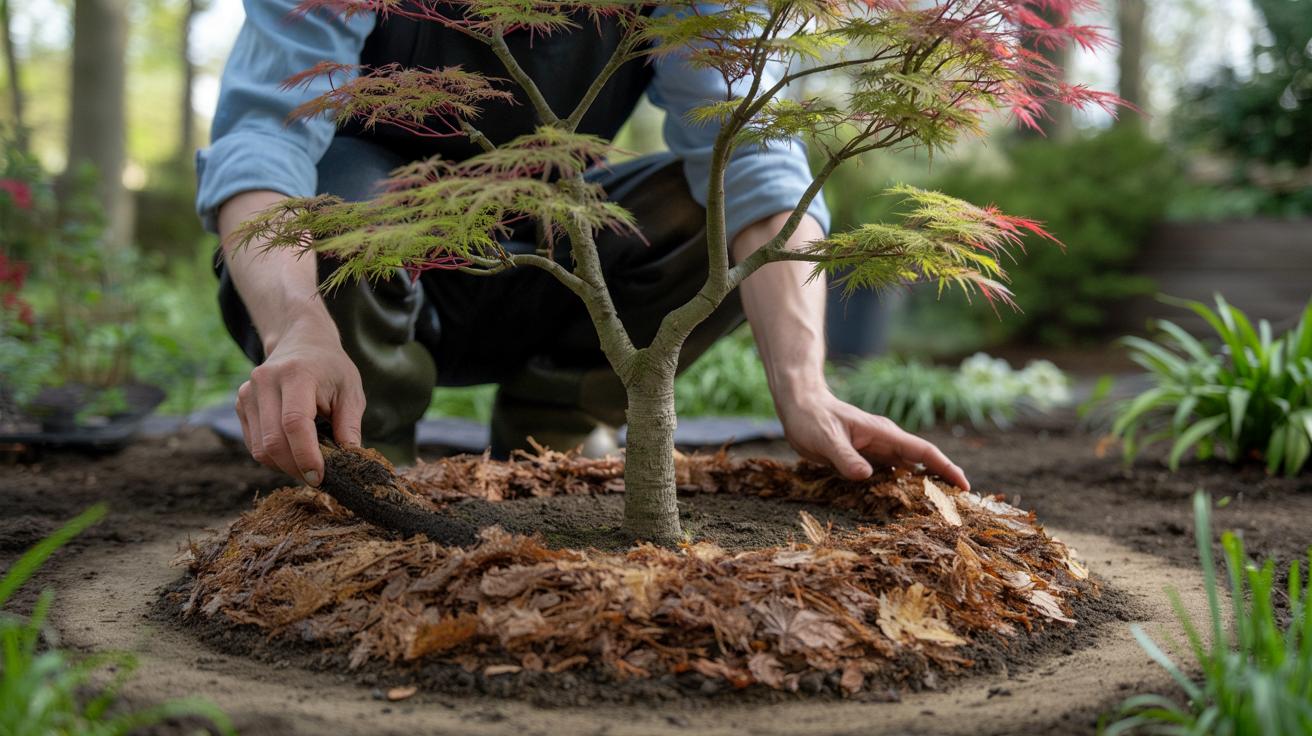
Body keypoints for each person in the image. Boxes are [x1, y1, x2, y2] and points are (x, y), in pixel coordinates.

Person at [199, 0, 971, 493]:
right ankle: (360, 460)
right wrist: (297, 322)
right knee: (339, 212)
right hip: (358, 277)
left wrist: (803, 386)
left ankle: (557, 421)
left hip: (547, 263)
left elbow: (756, 167)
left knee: (697, 212)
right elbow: (263, 140)